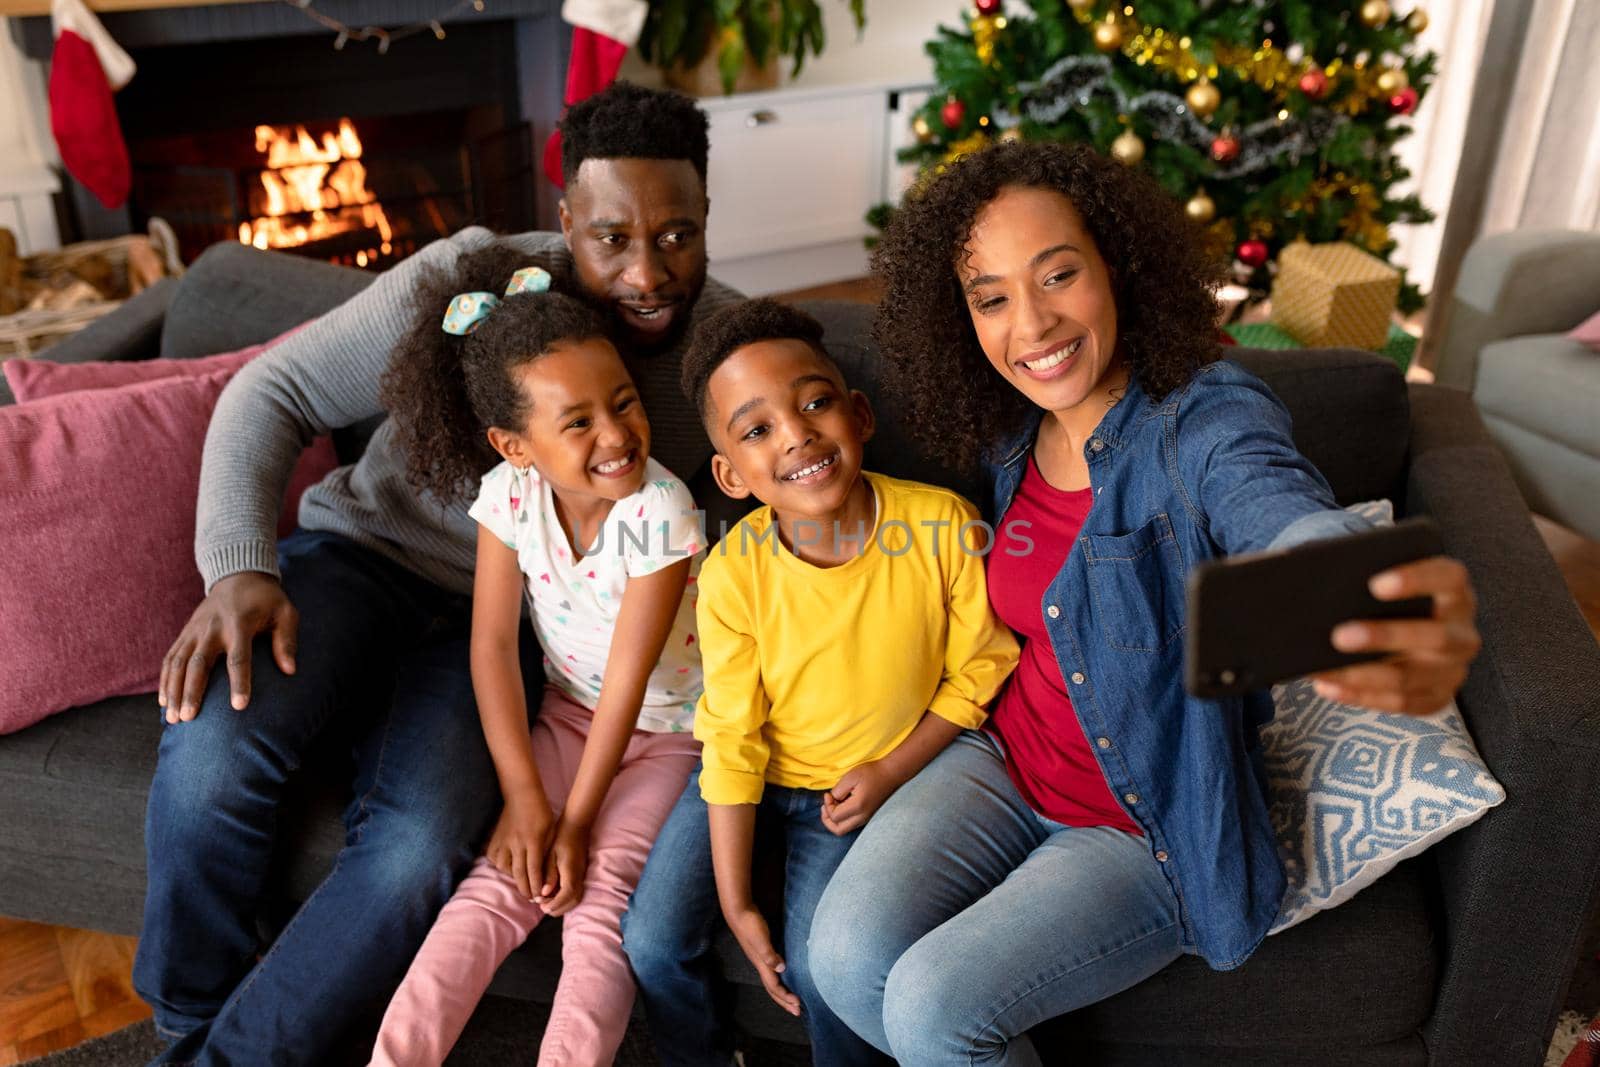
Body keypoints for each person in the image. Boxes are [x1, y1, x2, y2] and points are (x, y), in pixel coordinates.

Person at [806, 141, 1483, 1066]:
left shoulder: (1199, 419)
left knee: (932, 1007)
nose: (1032, 323)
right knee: (841, 959)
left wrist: (1345, 592)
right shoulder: (1010, 431)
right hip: (1001, 760)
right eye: (991, 296)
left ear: (1113, 265)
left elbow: (1273, 504)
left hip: (1139, 824)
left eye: (1058, 275)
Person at [133, 82, 742, 1065]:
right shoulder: (476, 279)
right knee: (212, 751)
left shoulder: (726, 354)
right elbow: (275, 385)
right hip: (359, 559)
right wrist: (237, 564)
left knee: (419, 845)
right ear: (564, 220)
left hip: (505, 634)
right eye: (610, 237)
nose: (646, 271)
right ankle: (186, 1019)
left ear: (707, 213)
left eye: (677, 234)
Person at [619, 299, 1020, 1067]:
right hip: (749, 777)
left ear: (859, 415)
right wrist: (736, 902)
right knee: (652, 936)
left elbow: (981, 669)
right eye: (758, 428)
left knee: (822, 970)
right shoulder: (734, 570)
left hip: (854, 795)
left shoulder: (942, 528)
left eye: (815, 403)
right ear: (731, 475)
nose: (798, 432)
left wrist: (890, 770)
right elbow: (731, 739)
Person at [363, 255, 704, 1067]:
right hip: (565, 715)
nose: (616, 435)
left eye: (622, 403)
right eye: (577, 422)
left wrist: (576, 821)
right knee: (495, 882)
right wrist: (524, 795)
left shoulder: (661, 510)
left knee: (596, 904)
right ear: (515, 445)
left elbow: (629, 682)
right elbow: (489, 645)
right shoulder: (508, 496)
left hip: (672, 732)